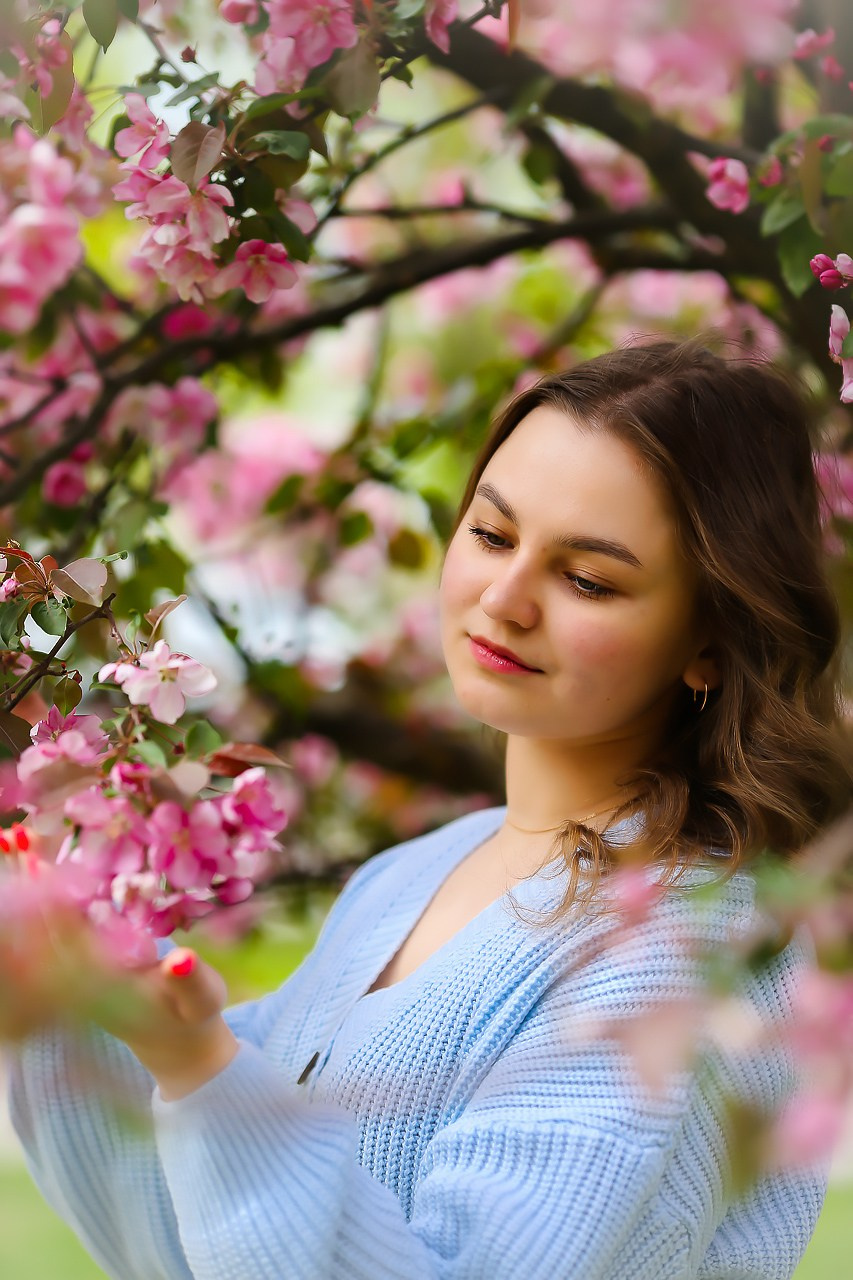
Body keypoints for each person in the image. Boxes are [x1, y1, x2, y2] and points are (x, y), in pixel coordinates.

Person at [3, 339, 850, 1280]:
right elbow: (179, 1231)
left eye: (587, 580)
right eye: (491, 535)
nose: (503, 598)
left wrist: (200, 1063)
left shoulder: (682, 949)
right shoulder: (410, 875)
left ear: (711, 641)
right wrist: (59, 975)